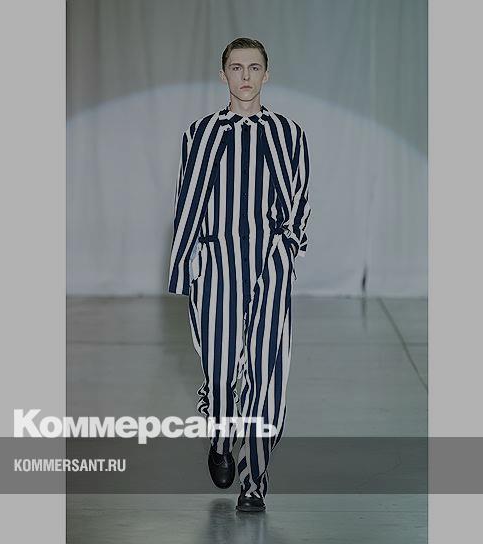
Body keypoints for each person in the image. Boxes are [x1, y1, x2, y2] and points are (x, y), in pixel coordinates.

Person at [167, 37, 311, 512]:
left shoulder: (289, 134)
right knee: (223, 367)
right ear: (223, 74)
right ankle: (221, 437)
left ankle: (255, 482)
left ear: (266, 75)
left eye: (253, 67)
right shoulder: (199, 134)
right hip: (216, 263)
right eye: (236, 67)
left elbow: (300, 199)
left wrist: (287, 249)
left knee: (269, 371)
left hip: (269, 262)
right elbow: (187, 202)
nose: (245, 76)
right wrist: (186, 265)